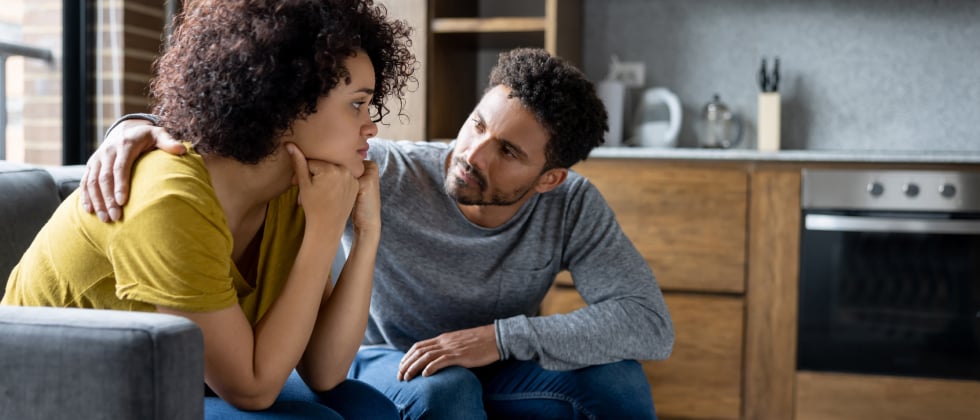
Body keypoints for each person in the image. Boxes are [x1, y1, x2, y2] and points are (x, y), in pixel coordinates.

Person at [83, 48, 675, 419]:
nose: (472, 153)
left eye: (508, 151)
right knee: (447, 393)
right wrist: (138, 126)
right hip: (374, 360)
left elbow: (647, 323)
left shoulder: (573, 207)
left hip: (492, 361)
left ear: (550, 178)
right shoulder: (385, 170)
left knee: (618, 382)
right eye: (476, 125)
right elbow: (259, 131)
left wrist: (496, 339)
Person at [2, 0, 416, 418]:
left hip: (168, 377)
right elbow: (252, 390)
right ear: (286, 101)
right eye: (356, 104)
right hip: (55, 394)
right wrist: (324, 231)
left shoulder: (297, 189)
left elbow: (324, 371)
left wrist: (366, 235)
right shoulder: (170, 198)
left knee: (366, 408)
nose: (372, 126)